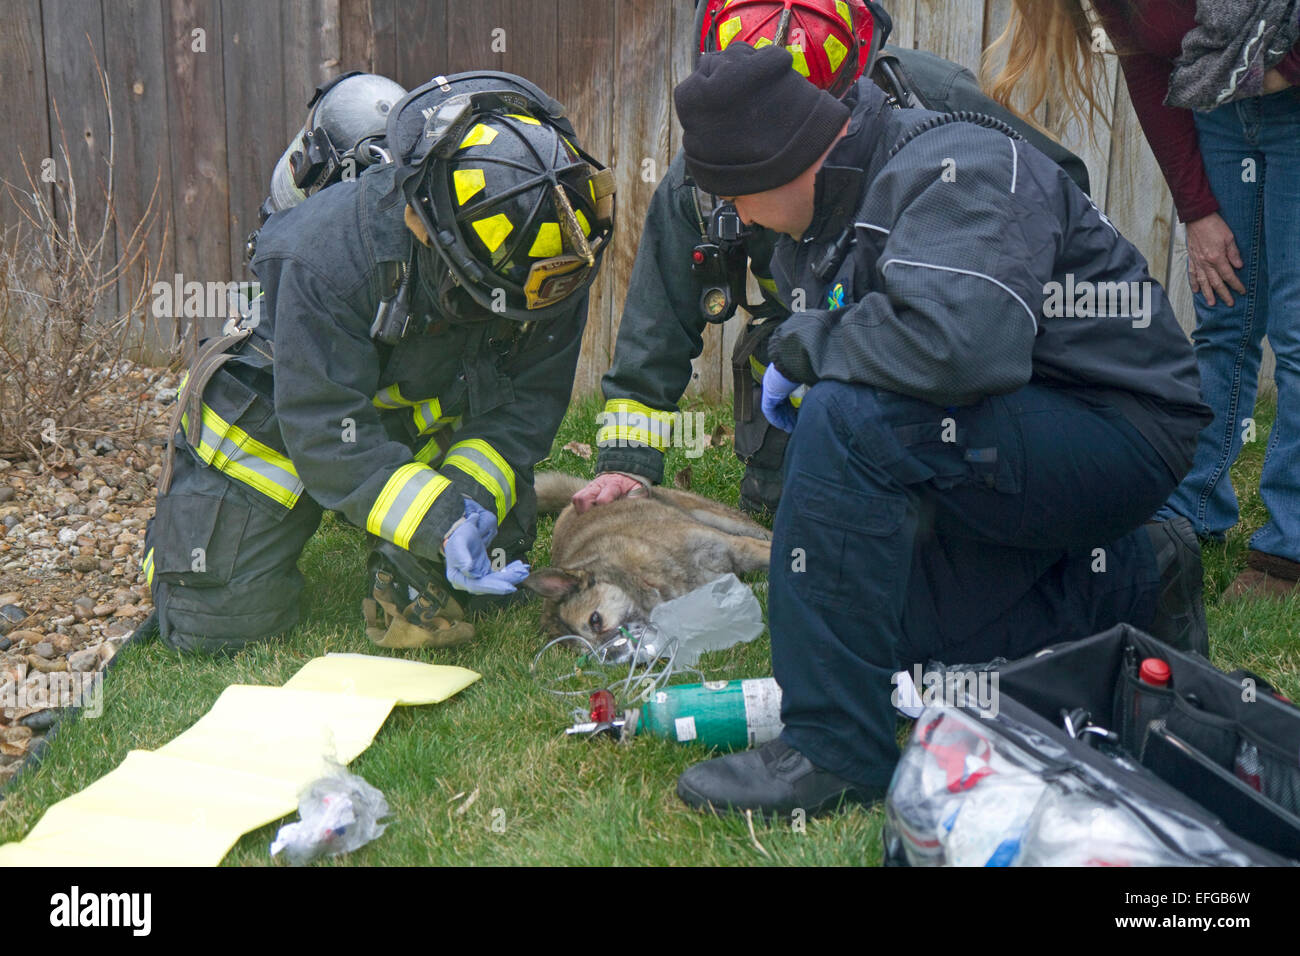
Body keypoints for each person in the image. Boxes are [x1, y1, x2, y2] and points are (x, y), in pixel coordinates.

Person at [668, 41, 1212, 816]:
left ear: (770, 168)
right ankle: (1135, 575)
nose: (740, 221)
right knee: (896, 640)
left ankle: (833, 752)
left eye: (736, 200)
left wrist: (810, 348)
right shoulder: (827, 215)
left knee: (847, 417)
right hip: (1021, 428)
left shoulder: (957, 167)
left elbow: (962, 346)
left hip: (1120, 426)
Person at [140, 71, 615, 654]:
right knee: (216, 627)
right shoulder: (328, 254)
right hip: (287, 411)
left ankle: (396, 542)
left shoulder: (554, 254)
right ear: (426, 231)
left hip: (424, 398)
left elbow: (525, 410)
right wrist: (438, 522)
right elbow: (325, 427)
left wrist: (457, 514)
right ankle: (180, 537)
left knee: (468, 581)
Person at [573, 0, 1091, 519]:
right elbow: (656, 323)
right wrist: (626, 464)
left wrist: (981, 298)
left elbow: (1059, 186)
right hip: (802, 353)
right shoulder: (707, 176)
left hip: (931, 340)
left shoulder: (937, 102)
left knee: (937, 508)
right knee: (790, 505)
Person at [987, 0, 1300, 598]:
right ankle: (1189, 511)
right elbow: (1150, 70)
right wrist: (1197, 210)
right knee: (1223, 317)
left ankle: (1287, 548)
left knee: (1297, 335)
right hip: (1213, 113)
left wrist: (1273, 74)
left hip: (1293, 106)